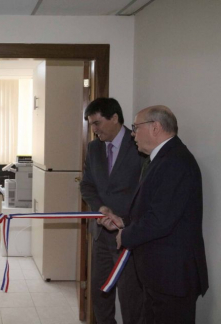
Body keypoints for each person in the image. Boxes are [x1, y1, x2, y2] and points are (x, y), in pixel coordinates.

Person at [101, 105, 209, 324]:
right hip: (161, 275)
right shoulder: (162, 159)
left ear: (155, 127)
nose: (132, 134)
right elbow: (152, 208)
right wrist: (124, 222)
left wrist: (126, 235)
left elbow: (160, 220)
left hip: (172, 277)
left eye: (135, 127)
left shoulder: (175, 162)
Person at [80, 98, 144, 324]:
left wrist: (124, 221)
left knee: (130, 297)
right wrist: (101, 208)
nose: (94, 129)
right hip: (100, 236)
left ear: (115, 118)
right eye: (91, 124)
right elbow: (86, 185)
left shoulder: (139, 145)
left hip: (127, 236)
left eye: (97, 123)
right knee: (100, 292)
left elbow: (146, 192)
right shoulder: (94, 148)